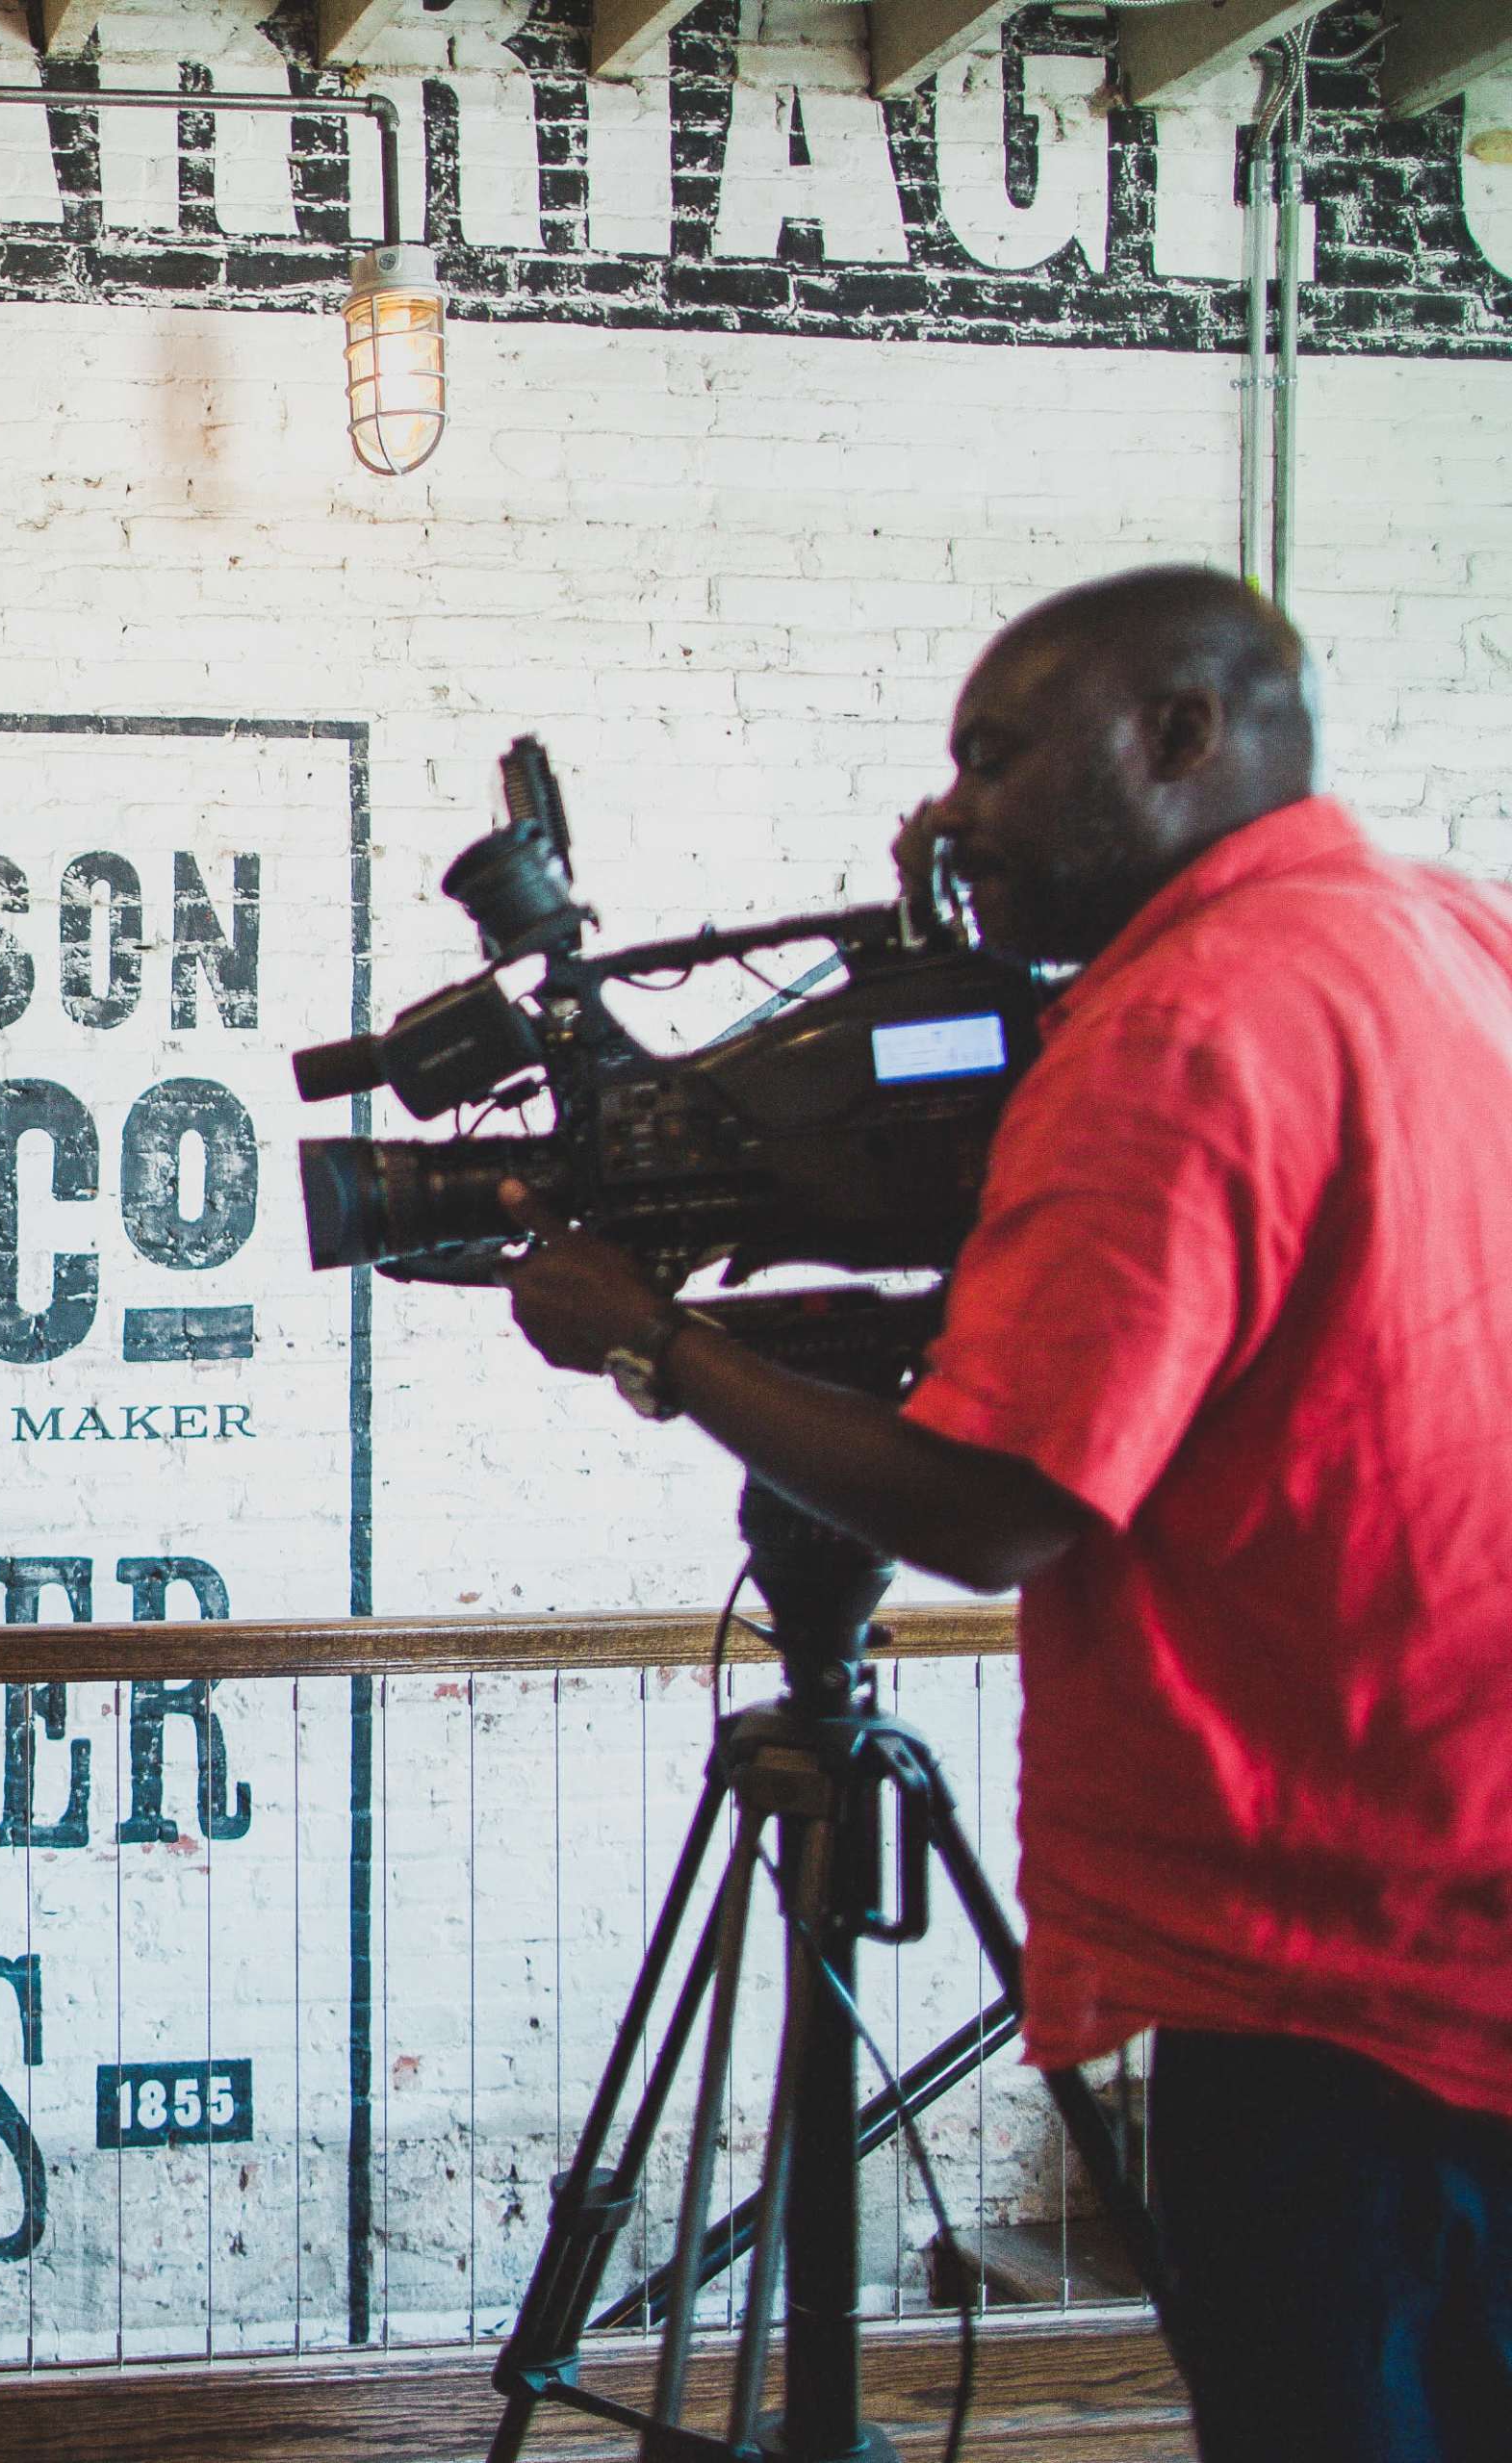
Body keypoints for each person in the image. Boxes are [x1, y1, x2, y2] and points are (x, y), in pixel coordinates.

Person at [495, 566, 1512, 2462]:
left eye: (997, 753)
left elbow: (996, 1504)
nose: (953, 803)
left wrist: (651, 1337)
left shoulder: (1187, 1018)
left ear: (1182, 737)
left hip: (1326, 1957)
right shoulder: (1440, 931)